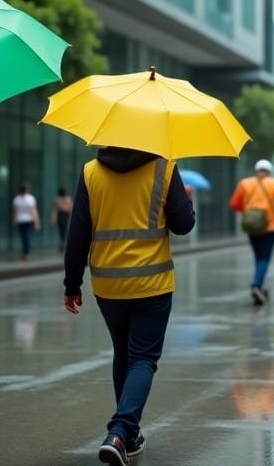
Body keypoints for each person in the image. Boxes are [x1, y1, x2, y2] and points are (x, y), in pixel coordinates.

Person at [62, 145, 195, 466]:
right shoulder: (164, 167)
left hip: (108, 284)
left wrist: (72, 283)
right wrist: (183, 200)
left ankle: (130, 435)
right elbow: (183, 224)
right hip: (152, 283)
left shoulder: (91, 172)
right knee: (143, 359)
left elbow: (77, 232)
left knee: (123, 353)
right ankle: (120, 431)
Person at [229, 160, 274, 306]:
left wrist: (247, 211)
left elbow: (234, 204)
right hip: (269, 226)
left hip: (251, 226)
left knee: (258, 257)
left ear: (256, 170)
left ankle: (259, 285)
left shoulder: (244, 183)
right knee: (264, 258)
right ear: (269, 171)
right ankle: (256, 285)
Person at [13, 184, 41, 260]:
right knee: (27, 237)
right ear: (27, 190)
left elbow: (15, 211)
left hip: (21, 220)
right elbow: (34, 211)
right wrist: (37, 222)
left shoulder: (17, 198)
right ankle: (26, 253)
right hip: (29, 220)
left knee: (24, 238)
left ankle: (25, 253)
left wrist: (15, 219)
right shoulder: (30, 198)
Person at [52, 187, 75, 252]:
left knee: (63, 231)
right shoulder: (68, 199)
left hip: (62, 215)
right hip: (65, 215)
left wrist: (54, 218)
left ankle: (63, 245)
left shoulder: (58, 200)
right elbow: (71, 208)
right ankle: (64, 245)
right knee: (64, 231)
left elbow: (55, 210)